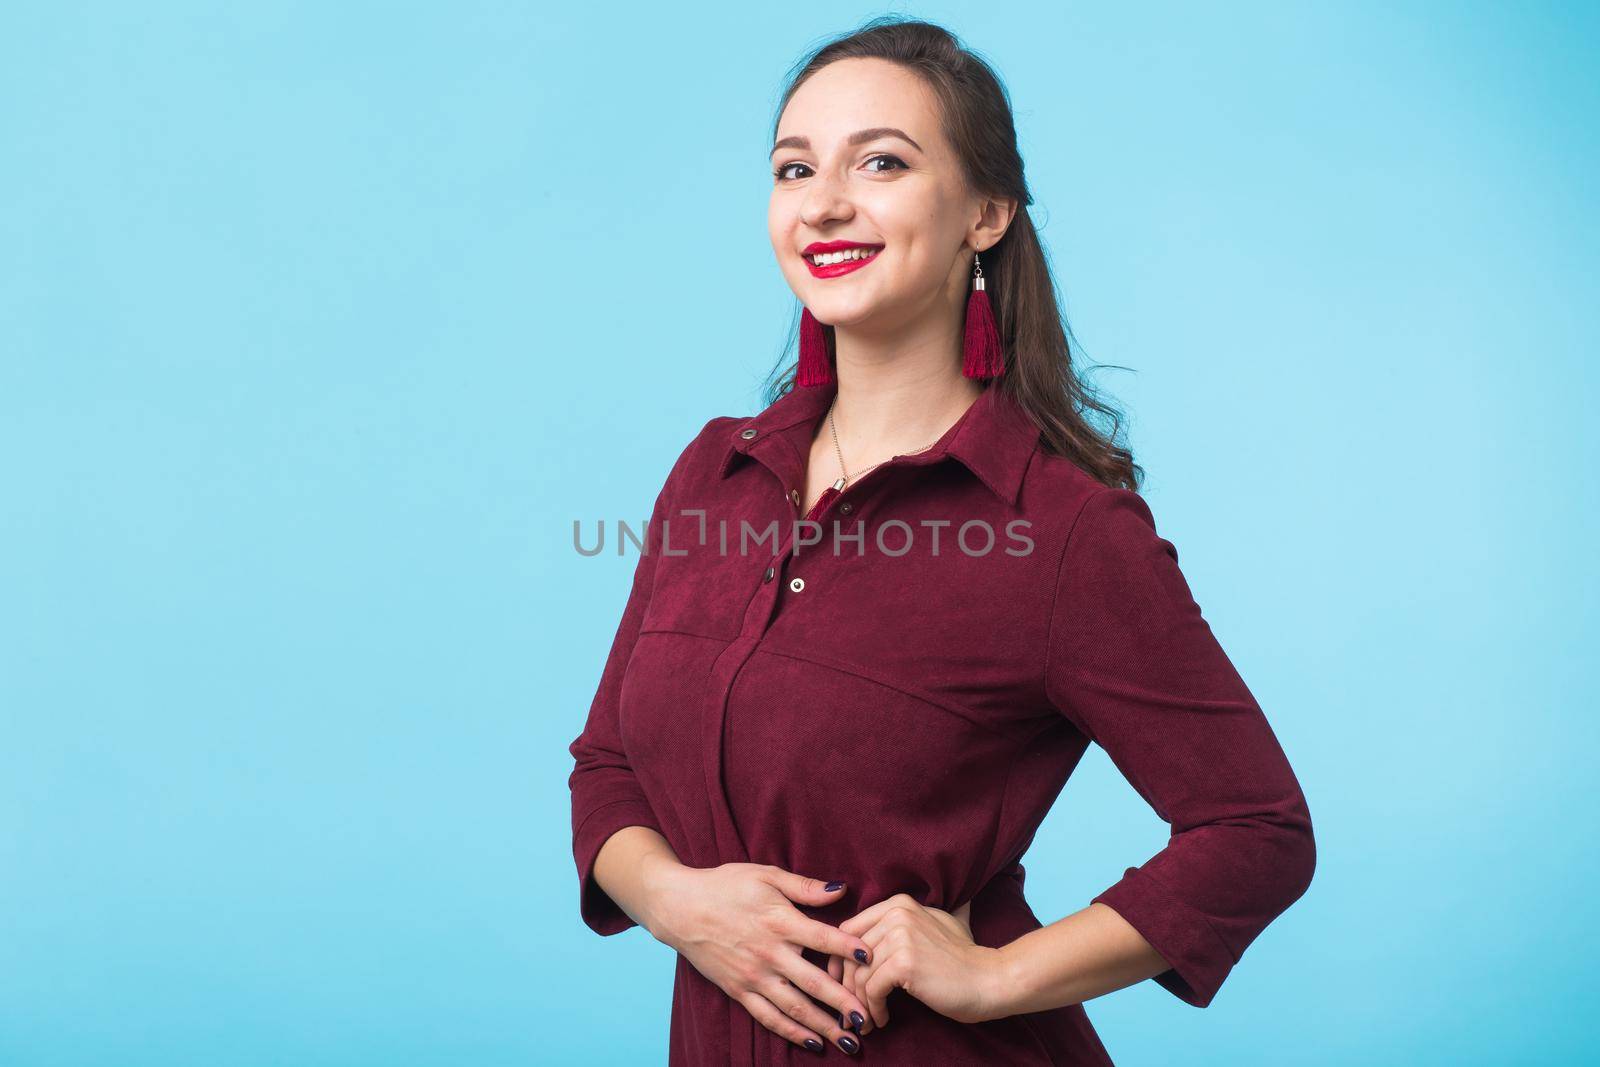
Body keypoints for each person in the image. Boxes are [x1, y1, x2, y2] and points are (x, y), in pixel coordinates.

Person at [566, 17, 1315, 1065]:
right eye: (794, 168)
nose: (824, 201)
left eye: (880, 161)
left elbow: (1257, 829)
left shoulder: (1057, 531)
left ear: (985, 212)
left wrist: (998, 972)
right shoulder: (715, 470)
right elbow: (607, 763)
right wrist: (682, 904)